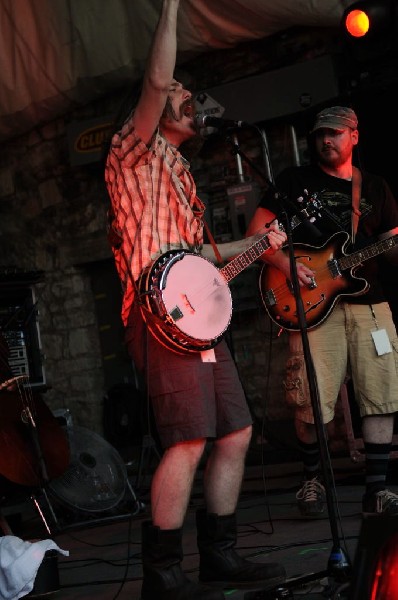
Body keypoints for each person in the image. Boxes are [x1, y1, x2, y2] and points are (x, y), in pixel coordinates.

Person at [104, 1, 288, 598]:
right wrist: (173, 8)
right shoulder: (132, 153)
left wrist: (259, 244)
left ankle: (220, 554)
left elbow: (199, 256)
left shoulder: (182, 174)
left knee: (234, 433)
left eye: (188, 89)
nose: (186, 94)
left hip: (198, 320)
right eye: (178, 89)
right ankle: (162, 574)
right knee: (187, 438)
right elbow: (157, 80)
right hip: (159, 319)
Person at [246, 105, 398, 518]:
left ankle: (377, 490)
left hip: (370, 305)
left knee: (380, 392)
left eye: (333, 133)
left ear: (354, 135)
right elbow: (255, 231)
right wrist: (284, 264)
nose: (325, 141)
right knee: (310, 398)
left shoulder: (377, 187)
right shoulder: (295, 181)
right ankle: (311, 479)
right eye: (319, 135)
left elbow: (390, 246)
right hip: (313, 306)